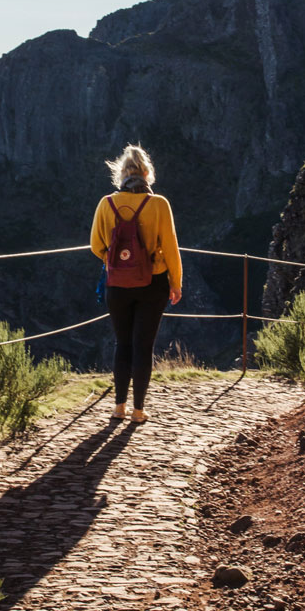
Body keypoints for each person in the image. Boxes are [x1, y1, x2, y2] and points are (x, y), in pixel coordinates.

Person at [90, 144, 182, 424]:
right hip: (153, 284)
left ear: (121, 173)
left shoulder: (106, 204)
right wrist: (175, 283)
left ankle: (118, 406)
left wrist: (116, 260)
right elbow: (171, 247)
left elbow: (95, 245)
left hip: (116, 284)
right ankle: (138, 410)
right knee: (143, 346)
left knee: (123, 344)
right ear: (146, 173)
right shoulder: (159, 204)